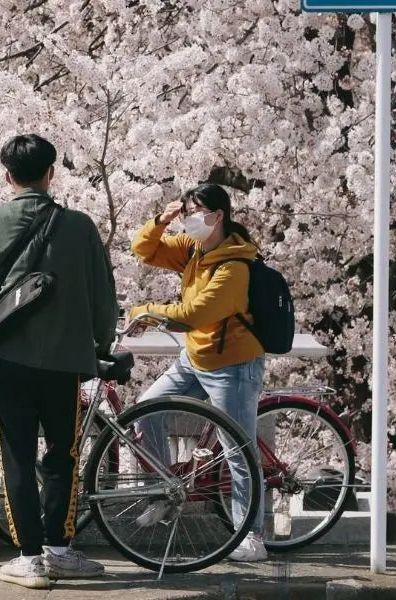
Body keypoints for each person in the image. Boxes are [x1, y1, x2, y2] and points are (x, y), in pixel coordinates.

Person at [0, 134, 119, 588]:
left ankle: (28, 557)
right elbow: (104, 299)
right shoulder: (80, 227)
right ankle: (59, 550)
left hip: (9, 357)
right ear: (51, 173)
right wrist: (101, 344)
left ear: (7, 175)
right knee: (63, 452)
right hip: (66, 360)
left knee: (17, 454)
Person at [127, 183, 268, 562]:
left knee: (238, 450)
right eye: (185, 212)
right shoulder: (194, 249)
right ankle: (164, 493)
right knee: (146, 410)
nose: (188, 220)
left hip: (232, 366)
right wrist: (161, 220)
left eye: (195, 213)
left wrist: (145, 312)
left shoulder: (234, 266)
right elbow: (143, 250)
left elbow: (193, 315)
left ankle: (252, 536)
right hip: (195, 357)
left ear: (218, 216)